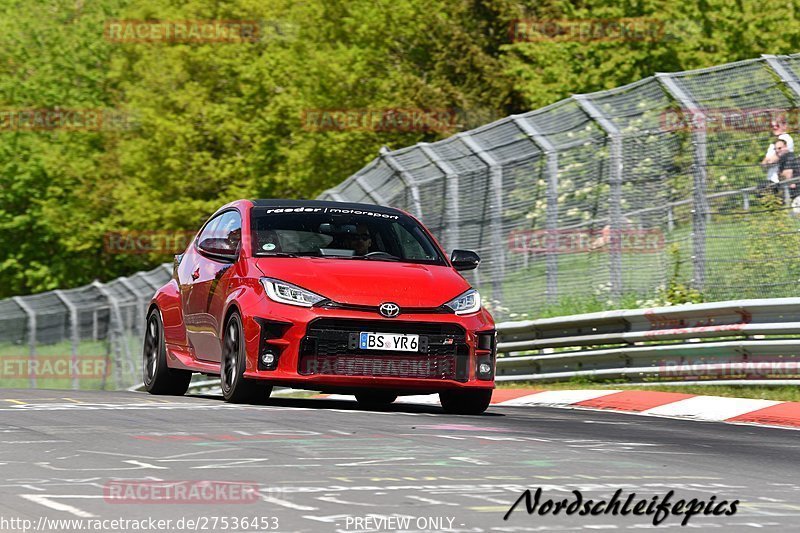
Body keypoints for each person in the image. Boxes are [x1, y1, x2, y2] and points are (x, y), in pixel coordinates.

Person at [761, 116, 794, 186]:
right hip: (770, 180)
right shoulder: (772, 144)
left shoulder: (786, 138)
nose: (774, 128)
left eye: (777, 125)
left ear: (784, 126)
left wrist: (769, 161)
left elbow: (773, 159)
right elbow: (763, 164)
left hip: (780, 181)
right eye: (772, 126)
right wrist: (769, 161)